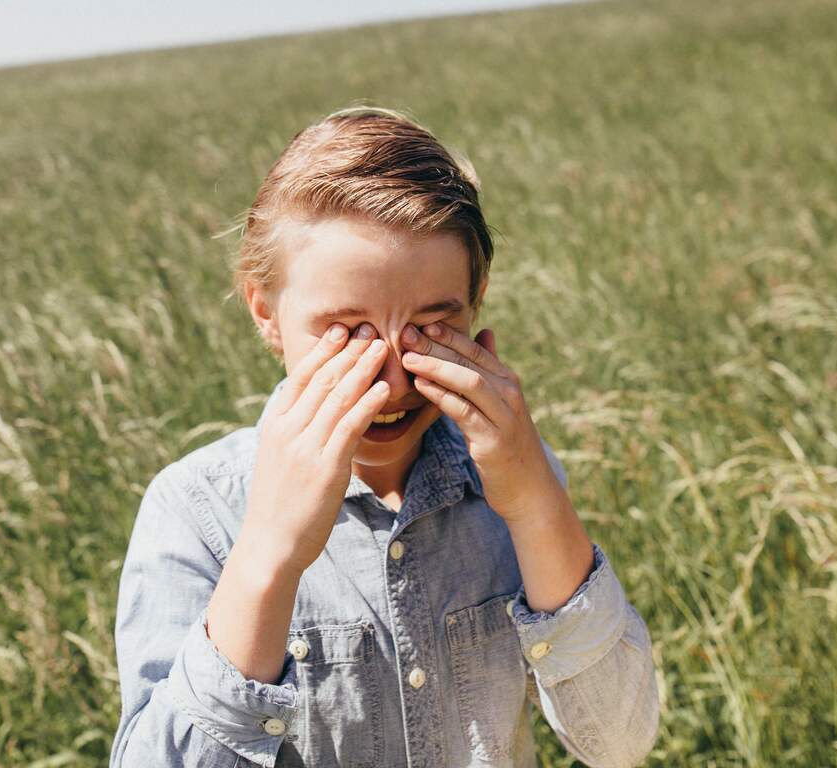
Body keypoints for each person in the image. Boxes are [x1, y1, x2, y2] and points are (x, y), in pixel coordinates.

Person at [108, 105, 660, 768]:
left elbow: (620, 743)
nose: (393, 378)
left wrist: (535, 501)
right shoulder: (196, 510)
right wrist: (267, 556)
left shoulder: (515, 474)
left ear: (476, 298)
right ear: (265, 312)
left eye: (432, 324)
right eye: (346, 330)